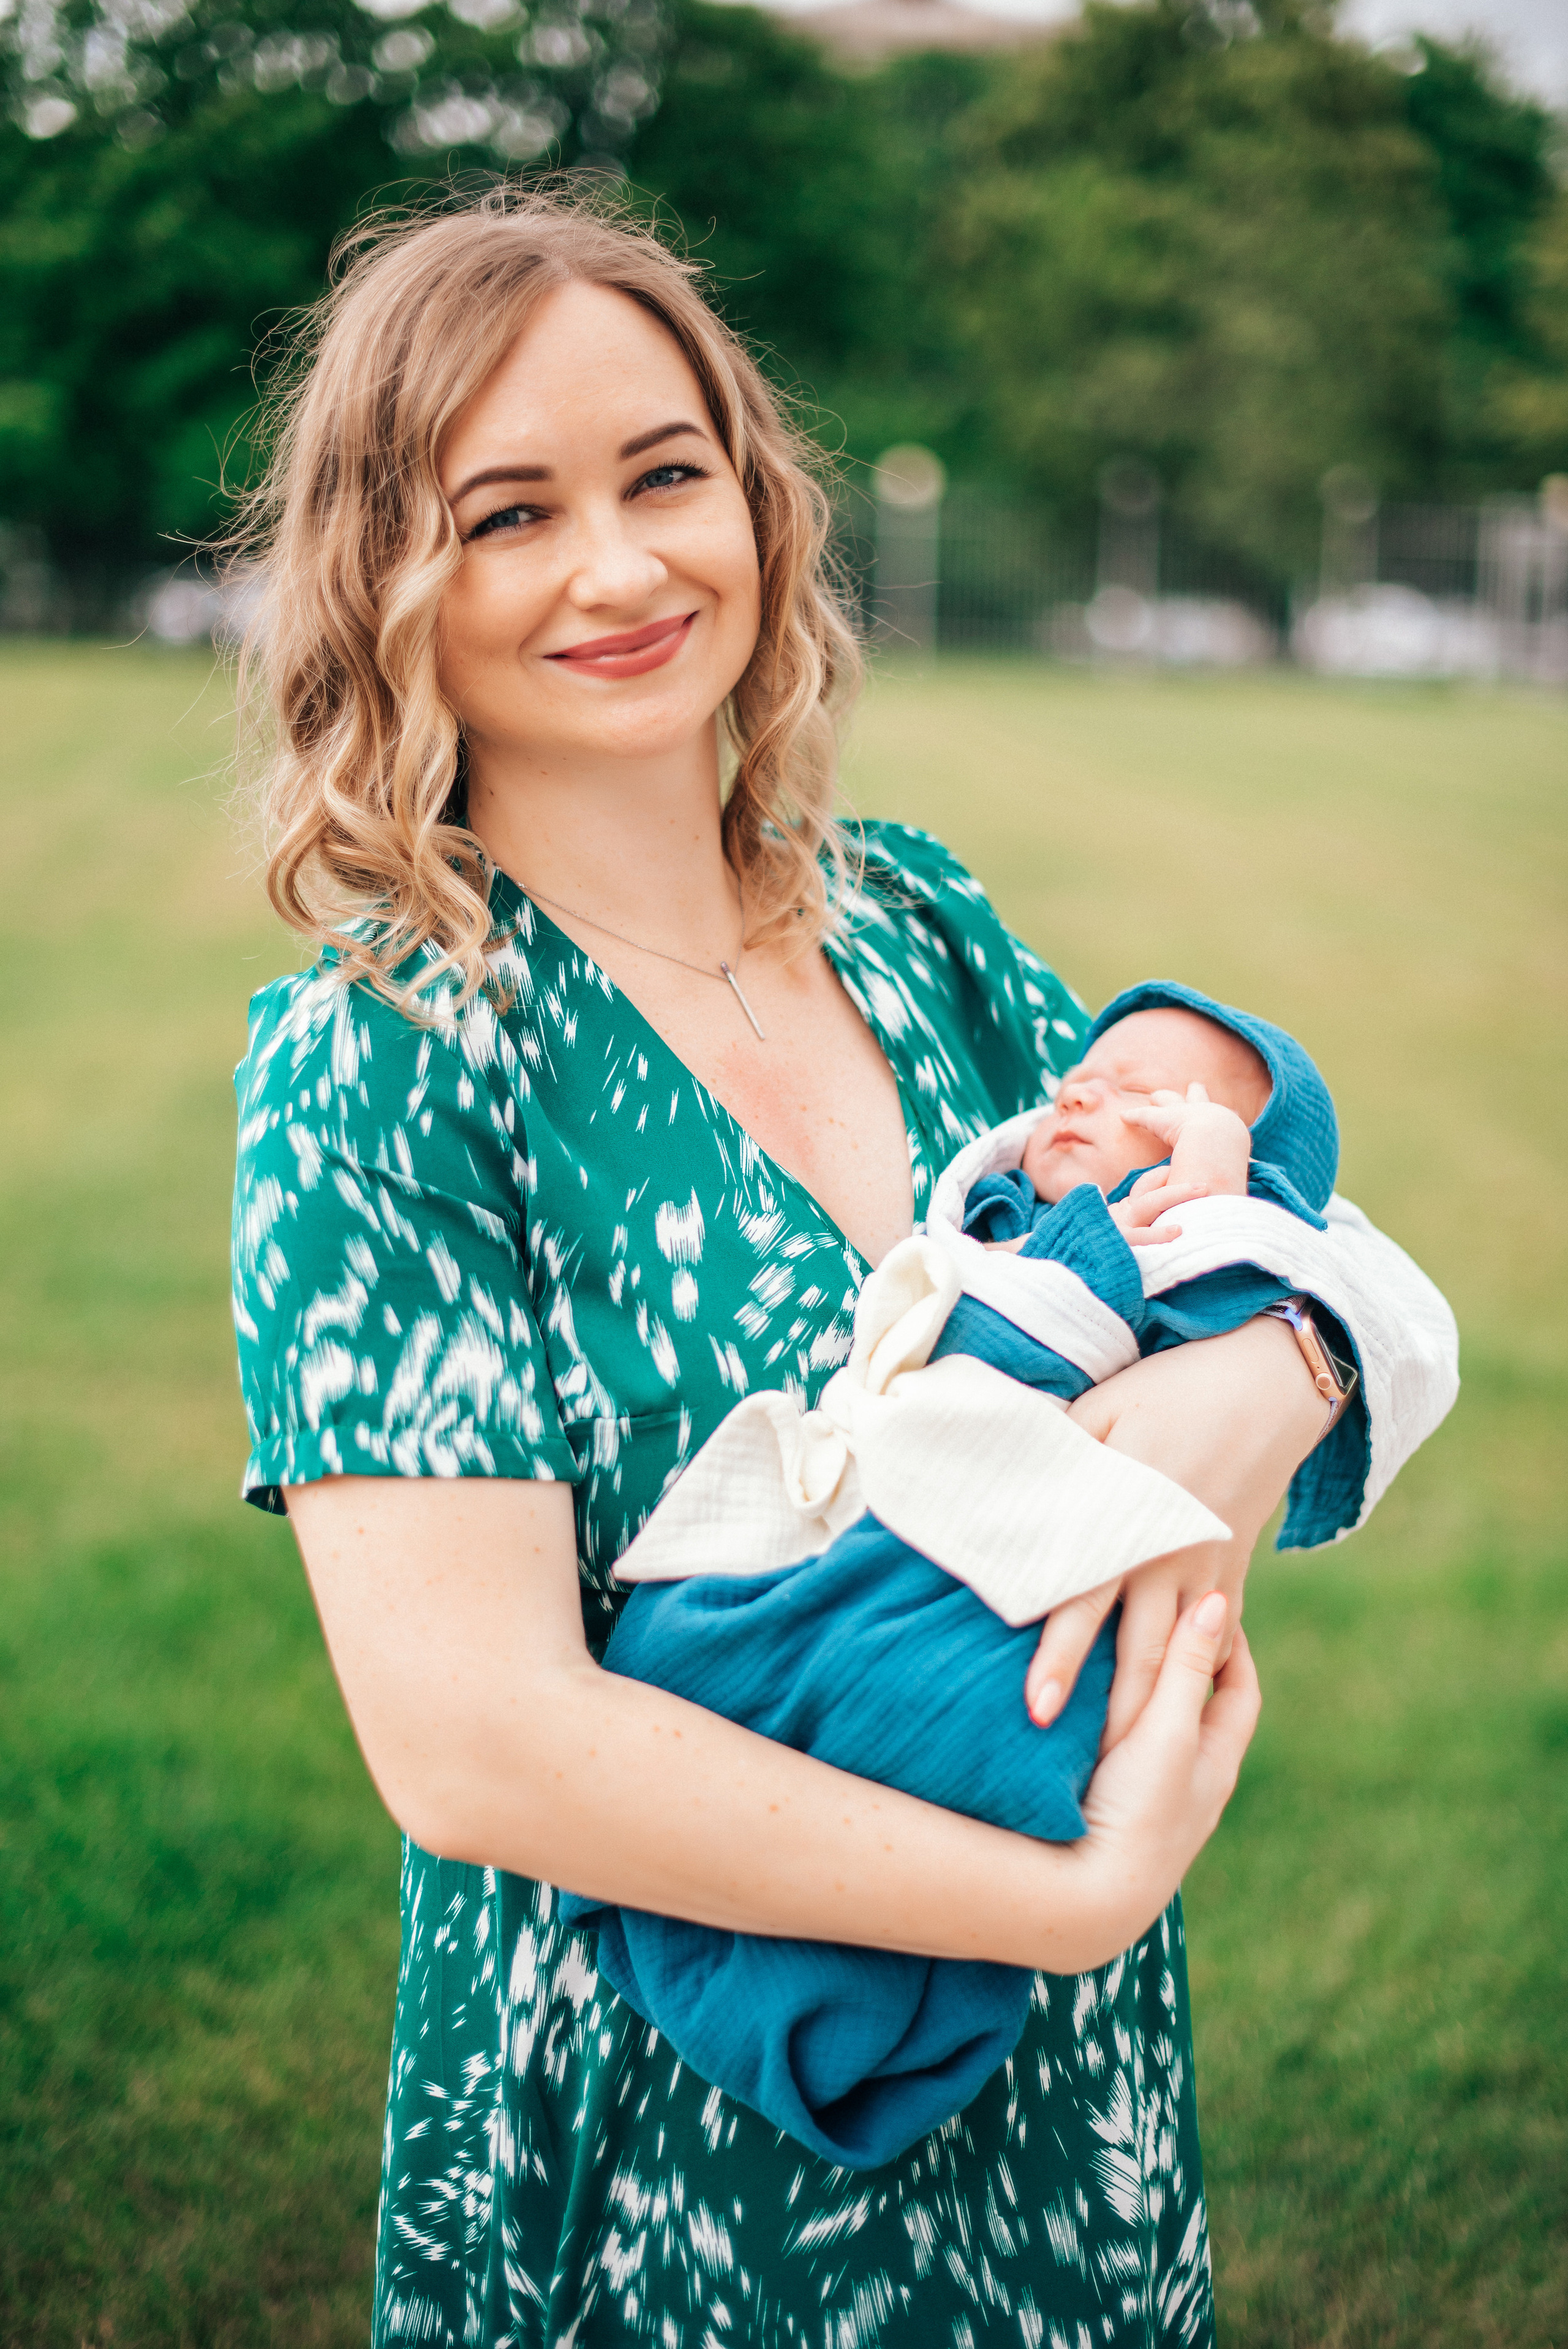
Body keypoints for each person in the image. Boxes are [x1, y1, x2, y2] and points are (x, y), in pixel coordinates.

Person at [228, 188, 1453, 2346]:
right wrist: (1063, 1898)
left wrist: (1259, 1384)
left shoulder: (922, 923)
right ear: (385, 575)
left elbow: (1261, 1220)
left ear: (757, 497)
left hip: (1068, 2108)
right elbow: (480, 1743)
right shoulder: (384, 1057)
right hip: (674, 2128)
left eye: (666, 474)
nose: (619, 568)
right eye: (508, 512)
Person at [558, 991, 1453, 2169]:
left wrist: (1289, 1348)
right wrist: (1083, 1901)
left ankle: (856, 1996)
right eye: (1087, 1075)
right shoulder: (1011, 1215)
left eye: (1149, 1097)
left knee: (956, 1701)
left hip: (994, 1581)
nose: (1082, 1089)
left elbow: (1356, 1268)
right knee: (682, 1647)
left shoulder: (1180, 1228)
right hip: (876, 1526)